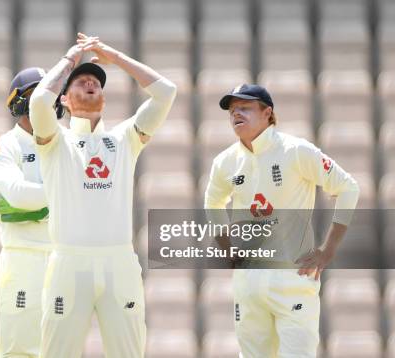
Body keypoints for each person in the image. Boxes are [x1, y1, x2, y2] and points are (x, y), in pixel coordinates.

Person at [28, 33, 177, 358]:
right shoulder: (55, 141)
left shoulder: (125, 139)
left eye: (95, 81)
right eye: (79, 82)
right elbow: (39, 102)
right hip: (68, 262)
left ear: (105, 98)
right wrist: (70, 60)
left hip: (119, 262)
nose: (89, 84)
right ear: (64, 100)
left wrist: (115, 57)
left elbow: (166, 92)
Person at [204, 84, 360, 357]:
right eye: (232, 110)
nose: (236, 114)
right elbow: (212, 203)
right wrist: (227, 249)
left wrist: (327, 251)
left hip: (293, 277)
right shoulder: (225, 162)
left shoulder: (296, 150)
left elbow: (348, 188)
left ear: (268, 113)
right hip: (249, 282)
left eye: (245, 107)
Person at [0, 67, 51, 357]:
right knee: (19, 349)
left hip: (63, 258)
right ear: (21, 101)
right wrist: (66, 194)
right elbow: (18, 196)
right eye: (39, 92)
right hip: (22, 257)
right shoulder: (5, 147)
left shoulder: (65, 143)